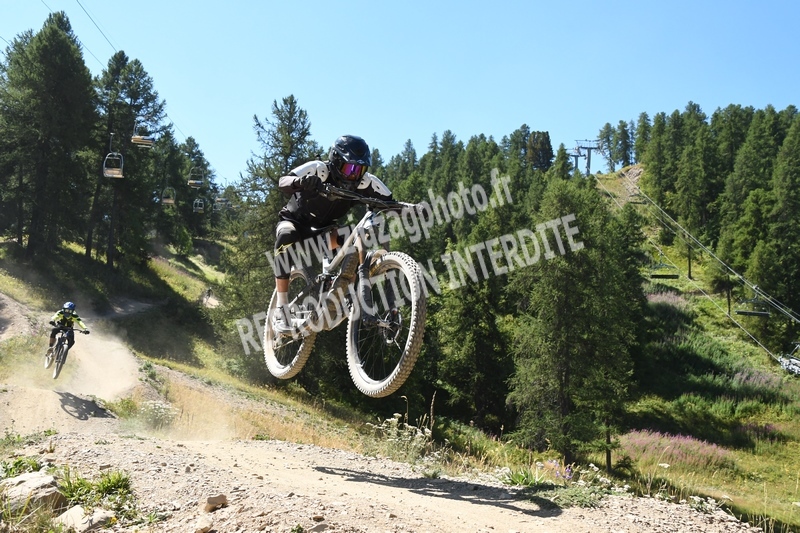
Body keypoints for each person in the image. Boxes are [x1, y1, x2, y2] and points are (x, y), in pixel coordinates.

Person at [273, 134, 393, 333]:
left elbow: (391, 202)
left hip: (324, 234)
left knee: (356, 239)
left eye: (359, 170)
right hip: (295, 222)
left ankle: (347, 291)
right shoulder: (319, 169)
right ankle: (281, 307)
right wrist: (302, 182)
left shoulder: (365, 183)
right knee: (286, 236)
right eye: (350, 169)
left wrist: (415, 210)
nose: (354, 175)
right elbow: (283, 181)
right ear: (336, 162)